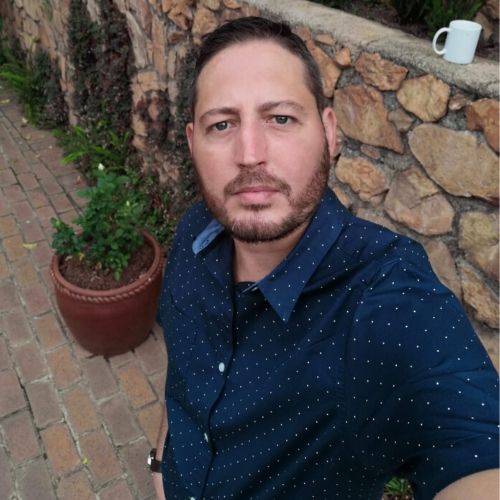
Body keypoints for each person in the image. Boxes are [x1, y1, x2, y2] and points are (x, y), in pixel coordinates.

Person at [151, 16, 499, 500]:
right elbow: (184, 374)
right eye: (222, 124)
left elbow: (474, 443)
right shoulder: (194, 235)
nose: (250, 154)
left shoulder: (387, 303)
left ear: (330, 133)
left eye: (280, 118)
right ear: (193, 143)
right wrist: (160, 461)